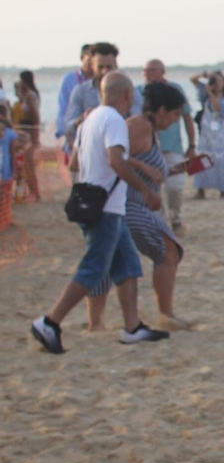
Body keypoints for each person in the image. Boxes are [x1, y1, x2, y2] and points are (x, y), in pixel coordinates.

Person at [29, 72, 170, 353]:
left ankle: (132, 327)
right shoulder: (114, 120)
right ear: (127, 95)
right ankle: (50, 321)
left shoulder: (89, 120)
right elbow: (116, 161)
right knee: (93, 268)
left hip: (98, 204)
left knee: (127, 266)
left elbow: (74, 163)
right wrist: (145, 190)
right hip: (105, 208)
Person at [85, 81, 192, 331]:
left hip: (132, 202)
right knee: (168, 251)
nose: (176, 121)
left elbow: (146, 165)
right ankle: (165, 315)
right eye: (175, 114)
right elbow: (113, 156)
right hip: (129, 203)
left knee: (107, 260)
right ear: (162, 110)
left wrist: (175, 169)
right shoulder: (139, 126)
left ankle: (96, 323)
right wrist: (144, 172)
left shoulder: (149, 129)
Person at [143, 60, 196, 231]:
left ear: (162, 71)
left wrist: (192, 145)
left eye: (152, 70)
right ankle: (160, 224)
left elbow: (187, 117)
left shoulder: (175, 90)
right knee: (153, 187)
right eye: (146, 70)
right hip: (149, 148)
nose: (148, 73)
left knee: (175, 186)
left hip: (173, 146)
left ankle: (176, 217)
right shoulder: (140, 92)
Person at [191, 71, 224, 198]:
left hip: (221, 132)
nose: (218, 84)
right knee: (203, 157)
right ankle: (201, 190)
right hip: (207, 131)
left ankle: (223, 190)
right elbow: (193, 80)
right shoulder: (205, 93)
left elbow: (218, 109)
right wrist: (203, 76)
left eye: (220, 81)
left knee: (221, 159)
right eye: (215, 81)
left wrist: (212, 94)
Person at [65, 43, 119, 143]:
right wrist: (82, 119)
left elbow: (138, 123)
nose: (104, 72)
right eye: (100, 67)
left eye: (109, 67)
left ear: (116, 65)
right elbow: (68, 127)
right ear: (92, 66)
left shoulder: (128, 91)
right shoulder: (81, 91)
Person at [55, 44, 93, 161]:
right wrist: (64, 134)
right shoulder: (69, 79)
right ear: (82, 58)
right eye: (89, 58)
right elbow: (63, 108)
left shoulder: (102, 80)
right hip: (74, 136)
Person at [11, 71, 43, 202]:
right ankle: (31, 191)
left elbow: (35, 115)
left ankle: (36, 193)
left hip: (28, 132)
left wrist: (36, 135)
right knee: (25, 165)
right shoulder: (29, 95)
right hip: (26, 131)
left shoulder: (30, 95)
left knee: (29, 164)